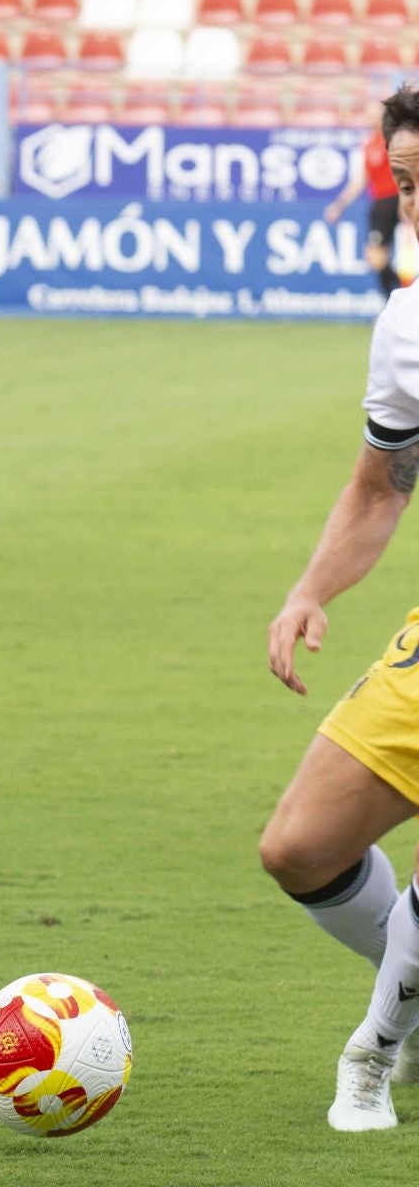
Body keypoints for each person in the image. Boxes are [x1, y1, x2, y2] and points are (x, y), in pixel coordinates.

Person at [260, 85, 419, 1133]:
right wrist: (311, 587)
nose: (415, 207)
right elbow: (379, 484)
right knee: (301, 845)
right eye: (406, 185)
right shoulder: (408, 320)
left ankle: (376, 1048)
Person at [325, 106, 403, 301]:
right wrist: (340, 204)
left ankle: (400, 298)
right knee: (376, 256)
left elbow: (404, 172)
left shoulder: (393, 140)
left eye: (373, 114)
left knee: (376, 254)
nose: (369, 118)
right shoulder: (369, 143)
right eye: (367, 114)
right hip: (380, 203)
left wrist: (406, 199)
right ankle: (398, 299)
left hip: (394, 199)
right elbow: (362, 179)